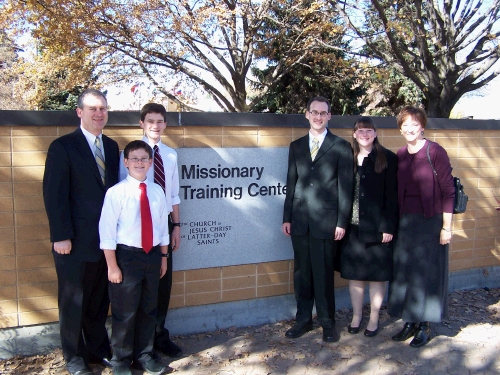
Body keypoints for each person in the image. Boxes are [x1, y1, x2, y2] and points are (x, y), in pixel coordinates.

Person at [43, 89, 119, 375]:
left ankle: (99, 350)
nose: (99, 114)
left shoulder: (111, 148)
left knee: (99, 301)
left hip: (105, 242)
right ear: (79, 112)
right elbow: (54, 194)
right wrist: (60, 235)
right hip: (72, 242)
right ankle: (74, 358)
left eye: (103, 108)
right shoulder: (62, 147)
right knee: (73, 302)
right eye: (92, 109)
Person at [282, 96, 354, 343]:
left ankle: (327, 322)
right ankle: (303, 320)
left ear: (329, 116)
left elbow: (346, 189)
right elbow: (291, 184)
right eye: (314, 112)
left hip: (327, 223)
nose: (318, 116)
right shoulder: (296, 146)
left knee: (323, 274)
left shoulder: (341, 147)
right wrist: (286, 217)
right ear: (307, 114)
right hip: (300, 221)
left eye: (323, 113)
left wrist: (342, 222)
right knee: (302, 273)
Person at [100, 140, 169, 375]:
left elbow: (162, 228)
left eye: (144, 159)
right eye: (135, 159)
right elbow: (107, 233)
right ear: (126, 162)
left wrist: (163, 258)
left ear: (150, 162)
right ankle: (120, 360)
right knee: (125, 311)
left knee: (149, 309)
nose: (140, 163)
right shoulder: (116, 193)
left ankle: (144, 356)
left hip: (151, 256)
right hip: (126, 258)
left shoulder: (157, 191)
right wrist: (112, 266)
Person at [388, 106, 455, 348]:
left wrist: (446, 228)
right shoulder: (401, 154)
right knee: (405, 272)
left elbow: (448, 191)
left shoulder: (435, 151)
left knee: (426, 273)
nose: (409, 128)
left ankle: (425, 324)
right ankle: (410, 320)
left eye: (413, 124)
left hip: (431, 221)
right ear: (400, 128)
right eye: (404, 124)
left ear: (422, 126)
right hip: (406, 222)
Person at [119, 103, 182, 357]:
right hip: (137, 226)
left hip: (163, 226)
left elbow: (174, 194)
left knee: (163, 282)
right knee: (138, 287)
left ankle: (159, 335)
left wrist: (176, 226)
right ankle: (137, 343)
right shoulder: (134, 152)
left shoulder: (170, 155)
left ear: (165, 124)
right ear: (141, 124)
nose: (155, 125)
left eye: (160, 121)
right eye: (150, 121)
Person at [340, 117, 398, 338]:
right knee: (356, 276)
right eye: (360, 130)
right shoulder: (348, 158)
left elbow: (392, 196)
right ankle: (357, 316)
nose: (364, 134)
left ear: (375, 133)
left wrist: (387, 226)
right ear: (354, 134)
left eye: (368, 130)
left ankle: (373, 319)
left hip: (377, 228)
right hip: (353, 227)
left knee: (376, 276)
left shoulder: (388, 159)